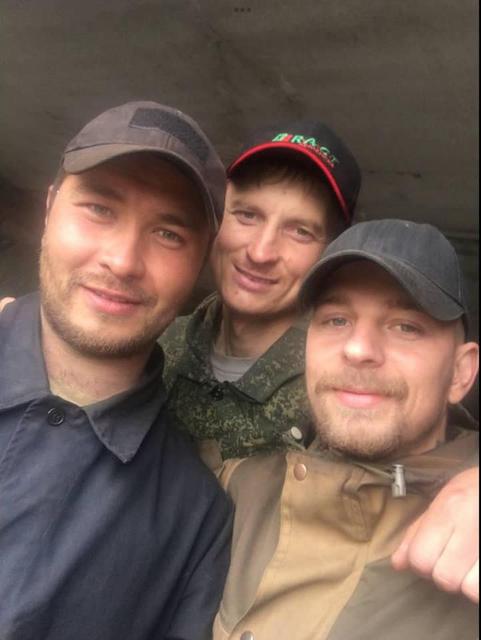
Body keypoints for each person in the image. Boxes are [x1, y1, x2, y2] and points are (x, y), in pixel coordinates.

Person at [160, 122, 479, 601]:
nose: (260, 252)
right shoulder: (158, 340)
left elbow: (435, 434)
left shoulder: (348, 383)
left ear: (330, 248)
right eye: (246, 215)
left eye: (300, 230)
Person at [0, 101, 233, 640]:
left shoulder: (197, 520)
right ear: (49, 209)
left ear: (201, 262)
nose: (123, 260)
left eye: (169, 234)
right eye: (99, 208)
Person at [213, 219, 479, 640]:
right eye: (336, 320)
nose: (358, 349)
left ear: (461, 373)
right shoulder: (241, 489)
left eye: (405, 326)